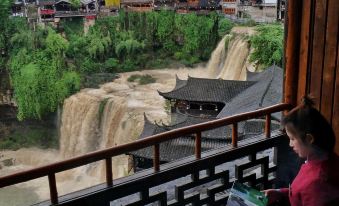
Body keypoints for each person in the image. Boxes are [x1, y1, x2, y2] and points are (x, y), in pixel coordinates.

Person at [264, 96, 339, 206]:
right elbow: (302, 193)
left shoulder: (319, 182)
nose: (290, 144)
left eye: (293, 139)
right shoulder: (325, 160)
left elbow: (310, 192)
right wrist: (279, 193)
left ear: (309, 139)